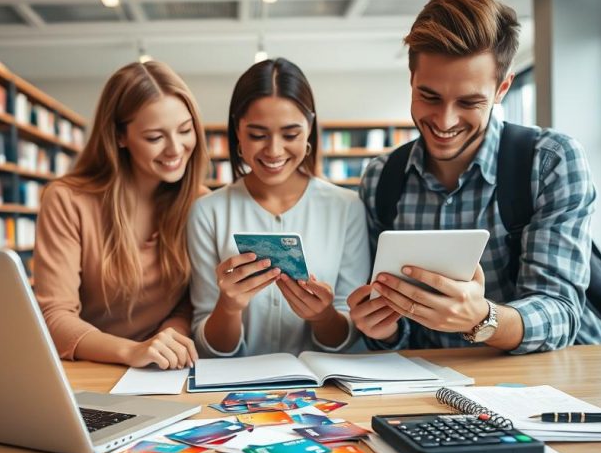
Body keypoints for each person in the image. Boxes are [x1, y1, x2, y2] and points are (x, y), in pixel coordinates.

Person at [347, 0, 601, 354]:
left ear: (501, 88)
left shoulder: (550, 162)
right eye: (429, 96)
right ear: (411, 79)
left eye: (469, 102)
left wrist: (482, 318)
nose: (445, 121)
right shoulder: (382, 179)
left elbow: (561, 314)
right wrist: (382, 329)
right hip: (436, 383)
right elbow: (403, 336)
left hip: (554, 376)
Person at [187, 58, 370, 357]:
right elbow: (209, 345)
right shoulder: (207, 213)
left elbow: (349, 335)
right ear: (237, 132)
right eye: (258, 135)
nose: (273, 150)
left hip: (322, 390)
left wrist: (323, 317)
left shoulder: (346, 208)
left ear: (310, 128)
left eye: (290, 135)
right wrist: (229, 306)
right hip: (234, 391)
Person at [34, 61, 207, 369]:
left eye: (184, 130)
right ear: (119, 136)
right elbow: (54, 316)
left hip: (160, 368)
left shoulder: (201, 204)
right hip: (85, 368)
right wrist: (132, 351)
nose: (175, 149)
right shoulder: (67, 200)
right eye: (155, 137)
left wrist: (168, 338)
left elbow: (190, 304)